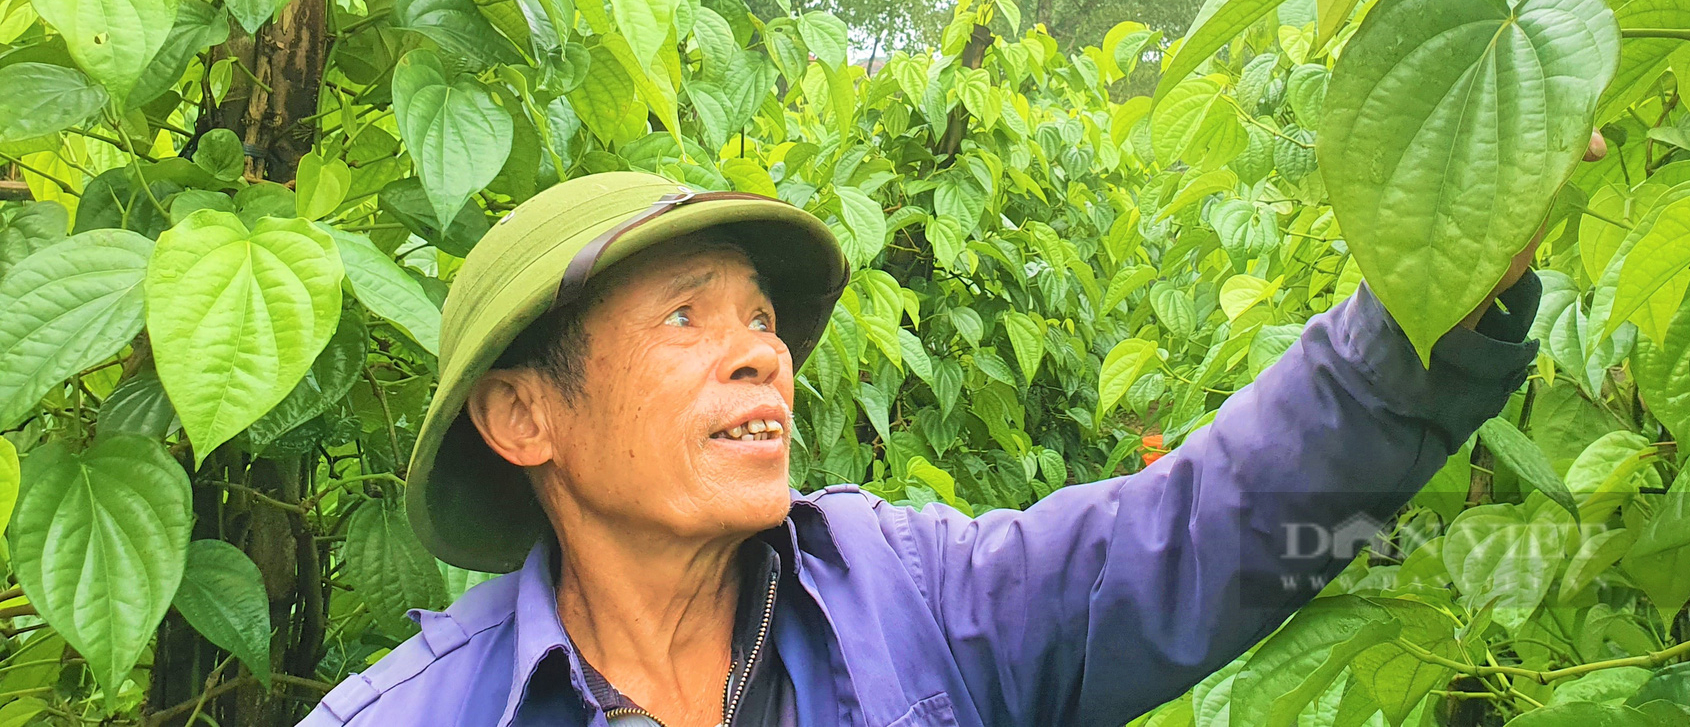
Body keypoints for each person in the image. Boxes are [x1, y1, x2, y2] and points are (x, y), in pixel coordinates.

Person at [299, 170, 1551, 727]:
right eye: (685, 315)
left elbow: (1203, 529)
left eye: (760, 319)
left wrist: (1433, 299)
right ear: (525, 419)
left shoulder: (916, 600)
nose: (760, 354)